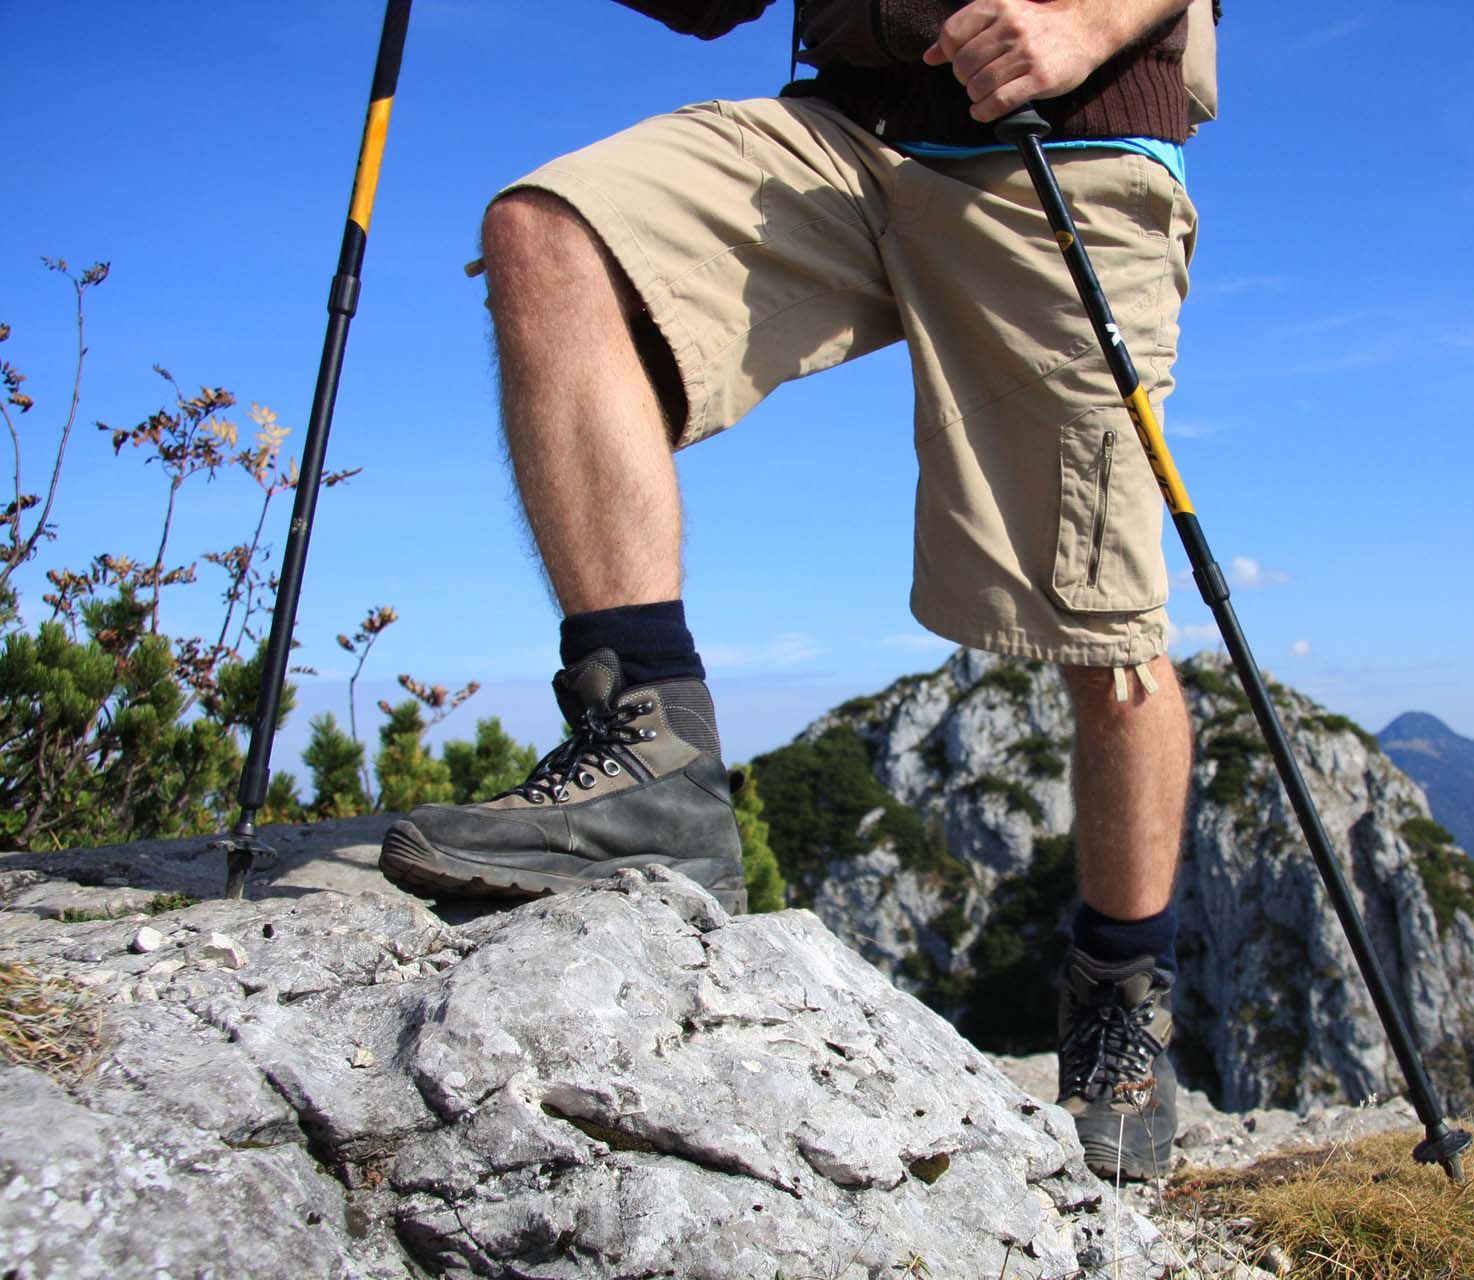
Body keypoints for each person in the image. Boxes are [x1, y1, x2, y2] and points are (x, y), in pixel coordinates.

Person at [379, 0, 1218, 1181]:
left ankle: (1122, 993)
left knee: (1101, 622)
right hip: (843, 124)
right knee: (551, 231)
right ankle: (648, 745)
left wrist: (1085, 24)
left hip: (1063, 136)